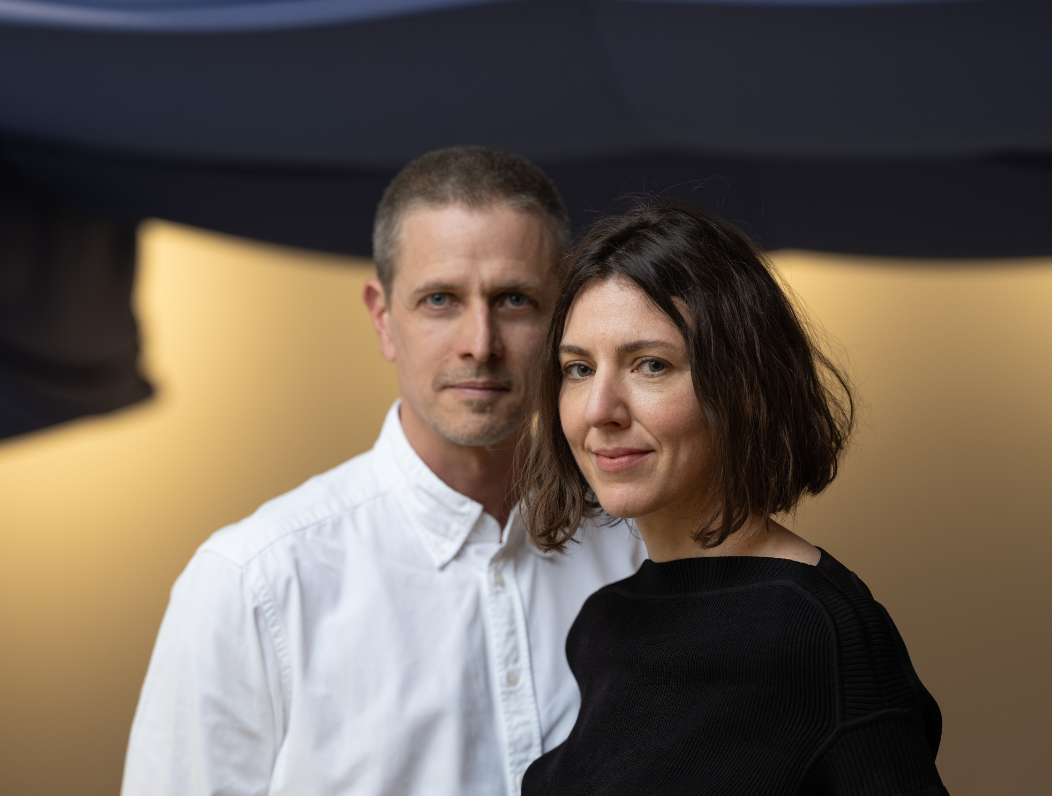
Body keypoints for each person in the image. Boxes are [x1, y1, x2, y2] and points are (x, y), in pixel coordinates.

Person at [121, 146, 646, 796]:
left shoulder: (639, 547)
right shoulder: (254, 585)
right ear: (383, 318)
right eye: (440, 300)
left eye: (514, 299)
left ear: (562, 316)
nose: (480, 344)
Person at [518, 201, 949, 795]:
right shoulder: (604, 624)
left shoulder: (817, 631)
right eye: (578, 369)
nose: (599, 410)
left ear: (746, 386)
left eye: (650, 365)